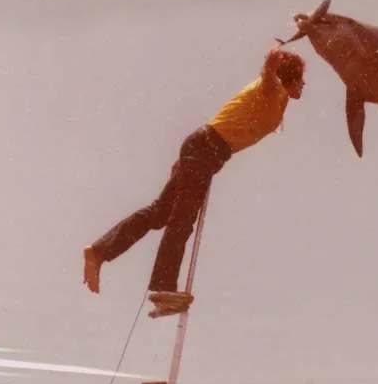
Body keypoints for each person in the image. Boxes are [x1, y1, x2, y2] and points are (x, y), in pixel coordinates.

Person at [83, 46, 306, 316]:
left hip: (203, 150)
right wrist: (271, 64)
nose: (303, 85)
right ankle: (163, 288)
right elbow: (270, 77)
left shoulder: (277, 101)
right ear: (290, 80)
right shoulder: (273, 90)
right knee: (181, 219)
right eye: (301, 79)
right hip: (205, 149)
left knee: (160, 213)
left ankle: (99, 252)